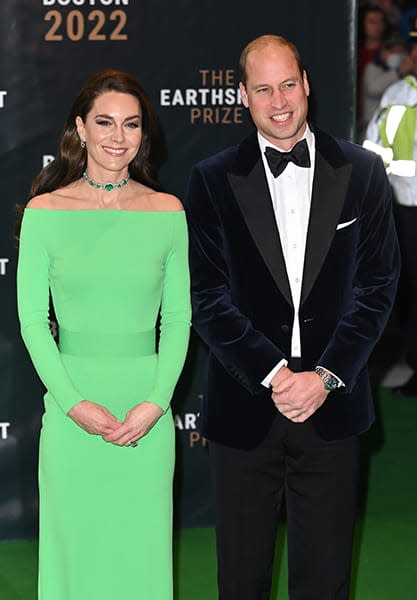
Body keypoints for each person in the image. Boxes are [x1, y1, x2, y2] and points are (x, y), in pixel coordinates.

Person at [185, 34, 400, 599]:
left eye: (287, 84)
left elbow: (378, 287)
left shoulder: (362, 171)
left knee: (326, 581)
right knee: (241, 579)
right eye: (263, 89)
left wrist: (325, 376)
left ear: (306, 84)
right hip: (245, 405)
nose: (279, 101)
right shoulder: (211, 179)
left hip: (333, 405)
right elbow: (206, 296)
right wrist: (277, 375)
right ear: (242, 95)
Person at [17, 69, 191, 599]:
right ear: (81, 128)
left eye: (132, 124)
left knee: (140, 558)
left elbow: (178, 319)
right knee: (76, 560)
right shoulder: (46, 213)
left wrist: (156, 403)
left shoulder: (168, 212)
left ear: (144, 134)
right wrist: (72, 405)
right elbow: (31, 324)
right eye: (105, 123)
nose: (119, 137)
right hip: (72, 407)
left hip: (147, 410)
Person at [365, 24, 417, 397]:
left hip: (406, 209)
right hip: (404, 209)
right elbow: (374, 151)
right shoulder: (397, 95)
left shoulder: (398, 94)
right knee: (410, 290)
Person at [358, 31, 409, 142]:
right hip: (370, 127)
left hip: (398, 129)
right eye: (393, 51)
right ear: (383, 52)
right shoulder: (373, 68)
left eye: (401, 51)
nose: (397, 55)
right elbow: (373, 89)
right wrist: (398, 72)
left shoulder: (407, 75)